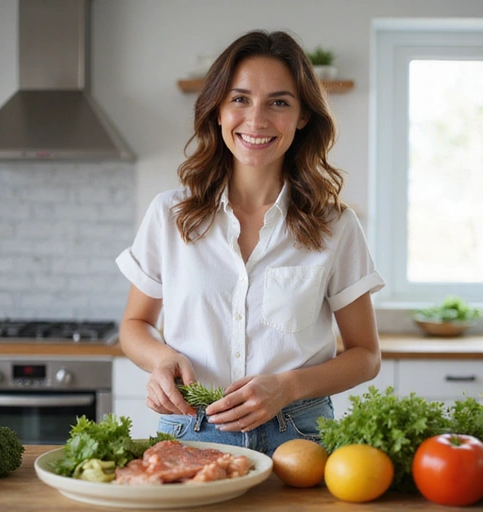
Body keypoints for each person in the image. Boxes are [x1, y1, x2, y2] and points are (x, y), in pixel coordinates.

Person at [115, 29, 384, 456]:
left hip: (299, 436)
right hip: (191, 428)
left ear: (302, 116)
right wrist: (160, 360)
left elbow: (366, 354)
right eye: (240, 99)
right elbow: (134, 327)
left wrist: (288, 385)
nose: (256, 119)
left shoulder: (336, 224)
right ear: (218, 110)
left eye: (279, 102)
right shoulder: (169, 215)